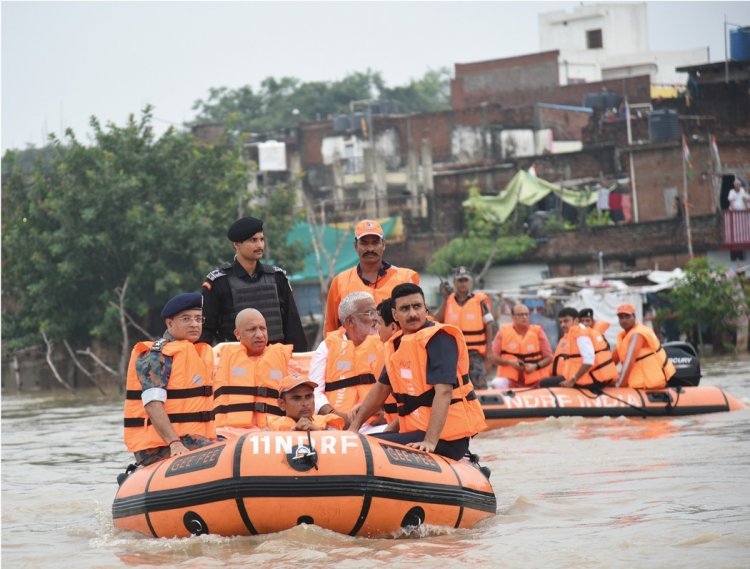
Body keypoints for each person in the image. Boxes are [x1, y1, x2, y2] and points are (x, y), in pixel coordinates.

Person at [348, 283, 487, 460]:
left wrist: (430, 441)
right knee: (363, 442)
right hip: (417, 432)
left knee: (365, 448)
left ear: (426, 309)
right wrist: (354, 427)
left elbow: (444, 392)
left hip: (446, 439)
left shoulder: (439, 339)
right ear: (395, 315)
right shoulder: (397, 344)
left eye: (417, 306)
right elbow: (381, 389)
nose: (413, 313)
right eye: (405, 308)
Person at [123, 292, 216, 467]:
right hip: (159, 447)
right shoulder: (157, 356)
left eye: (198, 319)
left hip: (194, 438)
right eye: (186, 319)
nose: (194, 324)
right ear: (170, 323)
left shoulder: (199, 353)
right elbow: (152, 404)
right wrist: (175, 443)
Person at [200, 216, 307, 351]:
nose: (260, 245)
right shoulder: (219, 282)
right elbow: (206, 330)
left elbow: (293, 326)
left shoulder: (277, 278)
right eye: (253, 240)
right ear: (236, 244)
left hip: (275, 360)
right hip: (235, 362)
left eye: (262, 239)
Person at [324, 219, 419, 334]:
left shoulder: (405, 278)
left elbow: (418, 321)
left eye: (375, 242)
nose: (370, 249)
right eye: (364, 243)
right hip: (354, 351)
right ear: (355, 246)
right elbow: (330, 329)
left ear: (383, 245)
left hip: (395, 350)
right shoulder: (340, 282)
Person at [212, 308, 296, 434]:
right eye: (252, 329)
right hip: (229, 435)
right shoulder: (219, 363)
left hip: (273, 434)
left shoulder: (286, 362)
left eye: (263, 328)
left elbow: (301, 398)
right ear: (237, 334)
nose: (259, 335)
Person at [309, 291, 384, 429]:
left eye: (377, 313)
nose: (376, 318)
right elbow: (314, 391)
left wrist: (385, 413)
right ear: (350, 321)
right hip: (336, 426)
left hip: (378, 426)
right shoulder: (327, 346)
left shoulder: (385, 342)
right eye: (370, 313)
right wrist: (337, 416)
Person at [434, 266, 494, 389]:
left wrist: (489, 350)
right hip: (452, 352)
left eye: (465, 280)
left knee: (479, 386)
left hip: (474, 353)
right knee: (455, 388)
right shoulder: (449, 300)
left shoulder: (480, 300)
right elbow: (436, 319)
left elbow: (489, 324)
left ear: (470, 282)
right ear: (454, 282)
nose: (463, 283)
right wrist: (445, 299)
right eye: (459, 280)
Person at [612, 303, 676, 389]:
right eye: (621, 317)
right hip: (639, 383)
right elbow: (612, 360)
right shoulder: (624, 336)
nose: (624, 320)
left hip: (648, 383)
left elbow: (629, 362)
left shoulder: (638, 334)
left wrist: (619, 384)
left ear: (634, 317)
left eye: (627, 317)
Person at [490, 303, 553, 389]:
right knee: (497, 383)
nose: (524, 317)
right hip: (510, 380)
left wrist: (535, 366)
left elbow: (549, 357)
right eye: (521, 314)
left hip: (536, 380)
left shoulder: (538, 331)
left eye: (526, 314)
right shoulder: (503, 332)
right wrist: (510, 363)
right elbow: (493, 357)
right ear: (513, 316)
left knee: (548, 383)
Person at [552, 307, 618, 388]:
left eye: (566, 321)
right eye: (560, 322)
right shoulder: (578, 333)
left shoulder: (580, 335)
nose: (562, 325)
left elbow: (589, 360)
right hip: (591, 377)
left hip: (590, 380)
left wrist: (572, 381)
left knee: (544, 383)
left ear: (576, 321)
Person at [267, 373, 345, 431]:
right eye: (296, 398)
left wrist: (316, 430)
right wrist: (294, 432)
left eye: (308, 396)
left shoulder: (327, 424)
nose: (305, 403)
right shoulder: (271, 428)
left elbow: (340, 449)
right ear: (282, 404)